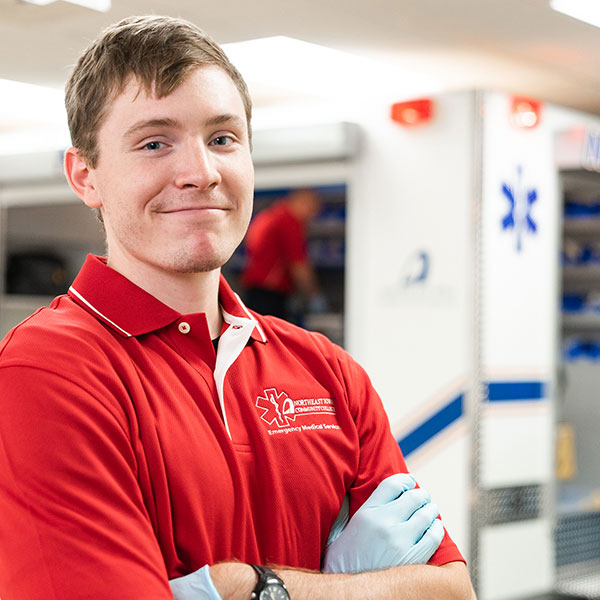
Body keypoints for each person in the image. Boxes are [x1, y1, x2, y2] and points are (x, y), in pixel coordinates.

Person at [0, 15, 476, 600]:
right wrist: (339, 585)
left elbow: (451, 591)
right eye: (154, 143)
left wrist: (243, 587)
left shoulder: (327, 372)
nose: (201, 173)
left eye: (222, 139)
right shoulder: (48, 372)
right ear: (86, 176)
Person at [241, 188, 325, 320]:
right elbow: (298, 264)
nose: (312, 217)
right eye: (312, 210)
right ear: (303, 203)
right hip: (270, 293)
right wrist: (313, 294)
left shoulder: (268, 216)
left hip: (254, 289)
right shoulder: (288, 221)